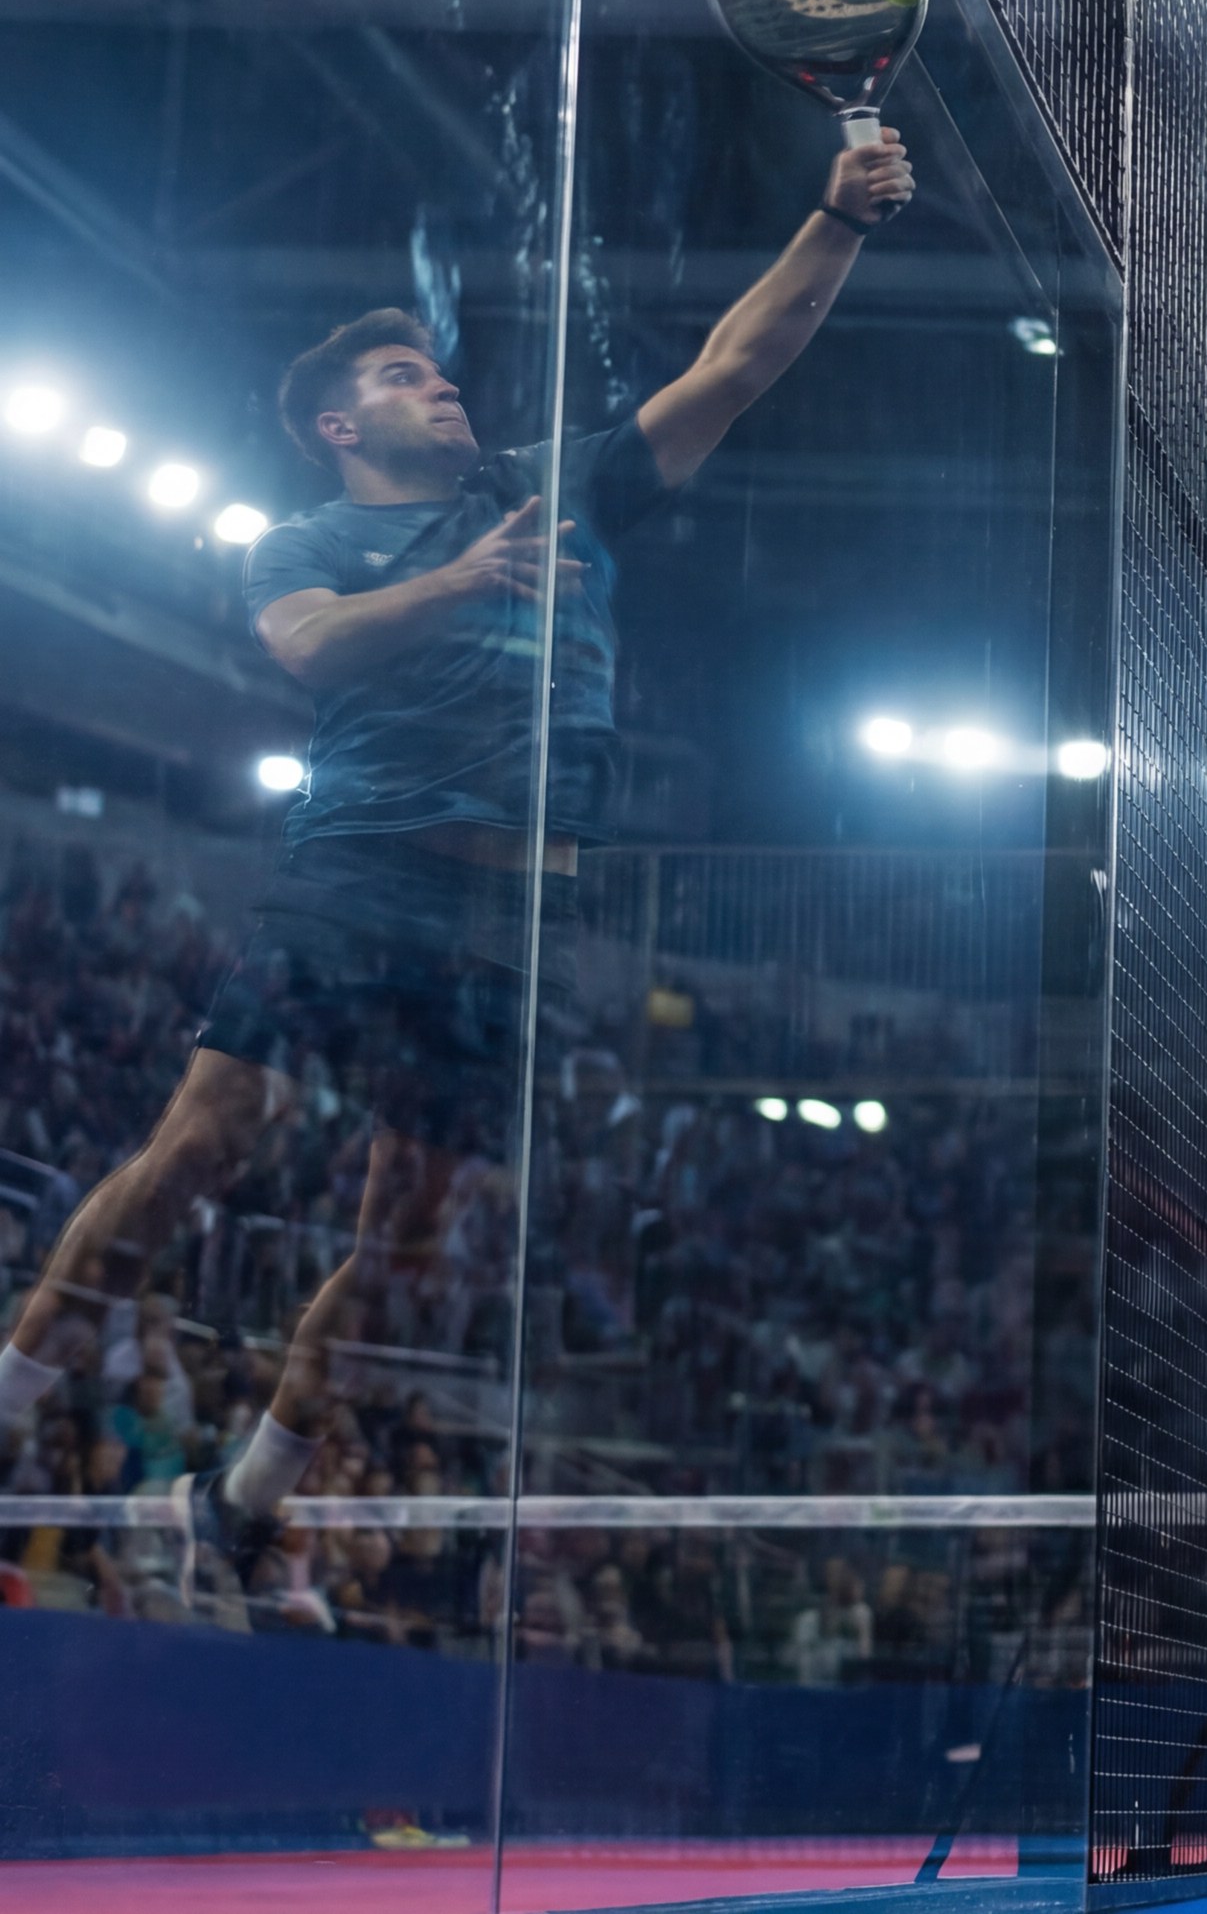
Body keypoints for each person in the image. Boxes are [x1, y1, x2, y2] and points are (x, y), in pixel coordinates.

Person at [0, 135, 919, 1611]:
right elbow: (308, 646)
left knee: (405, 1243)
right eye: (396, 376)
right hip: (356, 876)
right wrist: (460, 580)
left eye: (435, 368)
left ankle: (243, 1495)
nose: (436, 380)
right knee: (201, 1146)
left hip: (509, 920)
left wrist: (835, 215)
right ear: (332, 425)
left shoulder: (565, 490)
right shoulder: (306, 538)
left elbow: (743, 362)